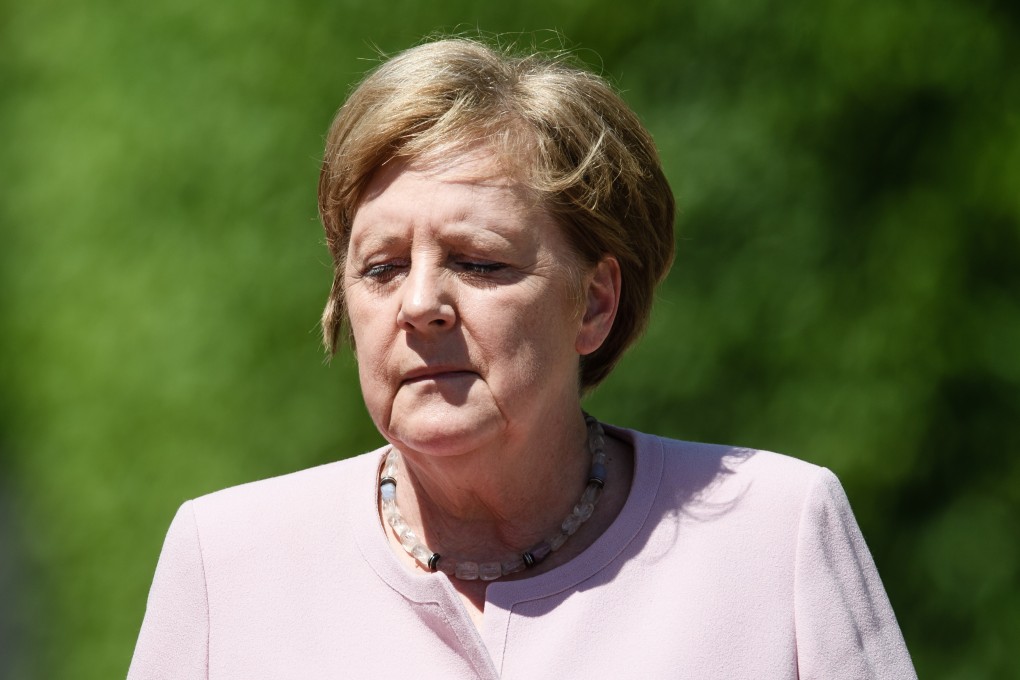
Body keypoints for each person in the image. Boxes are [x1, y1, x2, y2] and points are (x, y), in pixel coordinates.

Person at [128, 37, 916, 679]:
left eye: (478, 262)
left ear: (595, 303)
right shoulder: (228, 558)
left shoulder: (773, 533)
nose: (419, 303)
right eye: (382, 267)